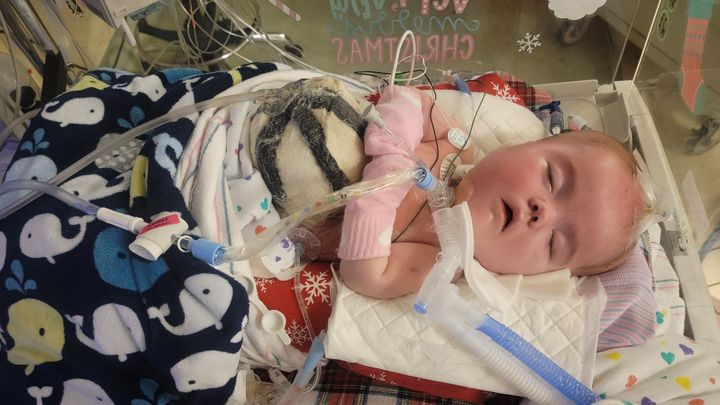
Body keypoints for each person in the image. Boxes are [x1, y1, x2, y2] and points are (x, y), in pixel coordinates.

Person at [330, 84, 656, 350]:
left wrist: (381, 189)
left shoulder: (440, 255)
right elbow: (406, 96)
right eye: (552, 178)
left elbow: (366, 275)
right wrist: (390, 151)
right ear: (521, 145)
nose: (542, 213)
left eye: (555, 242)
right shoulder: (456, 147)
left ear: (534, 275)